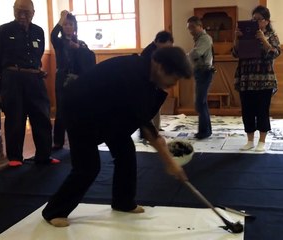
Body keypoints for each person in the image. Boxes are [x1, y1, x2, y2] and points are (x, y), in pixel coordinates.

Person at [41, 46, 191, 227]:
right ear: (160, 67)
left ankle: (123, 202)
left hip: (108, 111)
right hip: (79, 110)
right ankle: (54, 211)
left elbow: (141, 117)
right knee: (88, 167)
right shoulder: (134, 74)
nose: (174, 85)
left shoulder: (148, 74)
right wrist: (169, 162)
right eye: (174, 79)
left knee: (126, 151)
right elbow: (145, 126)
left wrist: (168, 159)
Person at [0, 0, 59, 166]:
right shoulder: (2, 31)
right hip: (12, 79)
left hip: (35, 79)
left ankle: (44, 155)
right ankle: (15, 157)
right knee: (15, 118)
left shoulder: (38, 31)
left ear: (33, 12)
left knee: (42, 116)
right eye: (19, 11)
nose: (22, 15)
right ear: (13, 11)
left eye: (26, 12)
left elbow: (39, 53)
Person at [232, 5, 281, 152]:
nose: (256, 22)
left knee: (262, 110)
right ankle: (249, 140)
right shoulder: (246, 35)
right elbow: (235, 53)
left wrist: (263, 40)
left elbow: (275, 53)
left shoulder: (272, 35)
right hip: (246, 78)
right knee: (247, 110)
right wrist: (237, 38)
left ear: (266, 21)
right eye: (254, 19)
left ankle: (262, 141)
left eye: (259, 19)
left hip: (264, 79)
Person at [51, 10, 95, 151]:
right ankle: (58, 141)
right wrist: (61, 18)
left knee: (78, 109)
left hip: (77, 79)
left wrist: (79, 49)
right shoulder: (58, 42)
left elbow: (90, 58)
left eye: (70, 24)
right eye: (65, 24)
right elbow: (52, 35)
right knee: (61, 110)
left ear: (75, 27)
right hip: (62, 78)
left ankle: (78, 139)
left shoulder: (81, 43)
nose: (68, 27)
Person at [187, 16, 214, 140]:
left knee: (200, 103)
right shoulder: (199, 39)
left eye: (192, 27)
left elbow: (197, 53)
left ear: (200, 26)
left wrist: (186, 55)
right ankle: (206, 130)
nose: (191, 30)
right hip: (200, 72)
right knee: (201, 103)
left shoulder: (205, 38)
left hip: (204, 71)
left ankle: (204, 132)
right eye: (189, 28)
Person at [141, 30, 174, 131]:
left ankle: (157, 126)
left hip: (156, 81)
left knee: (156, 105)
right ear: (158, 41)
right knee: (149, 105)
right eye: (166, 46)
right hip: (147, 82)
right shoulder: (148, 52)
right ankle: (147, 129)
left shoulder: (159, 50)